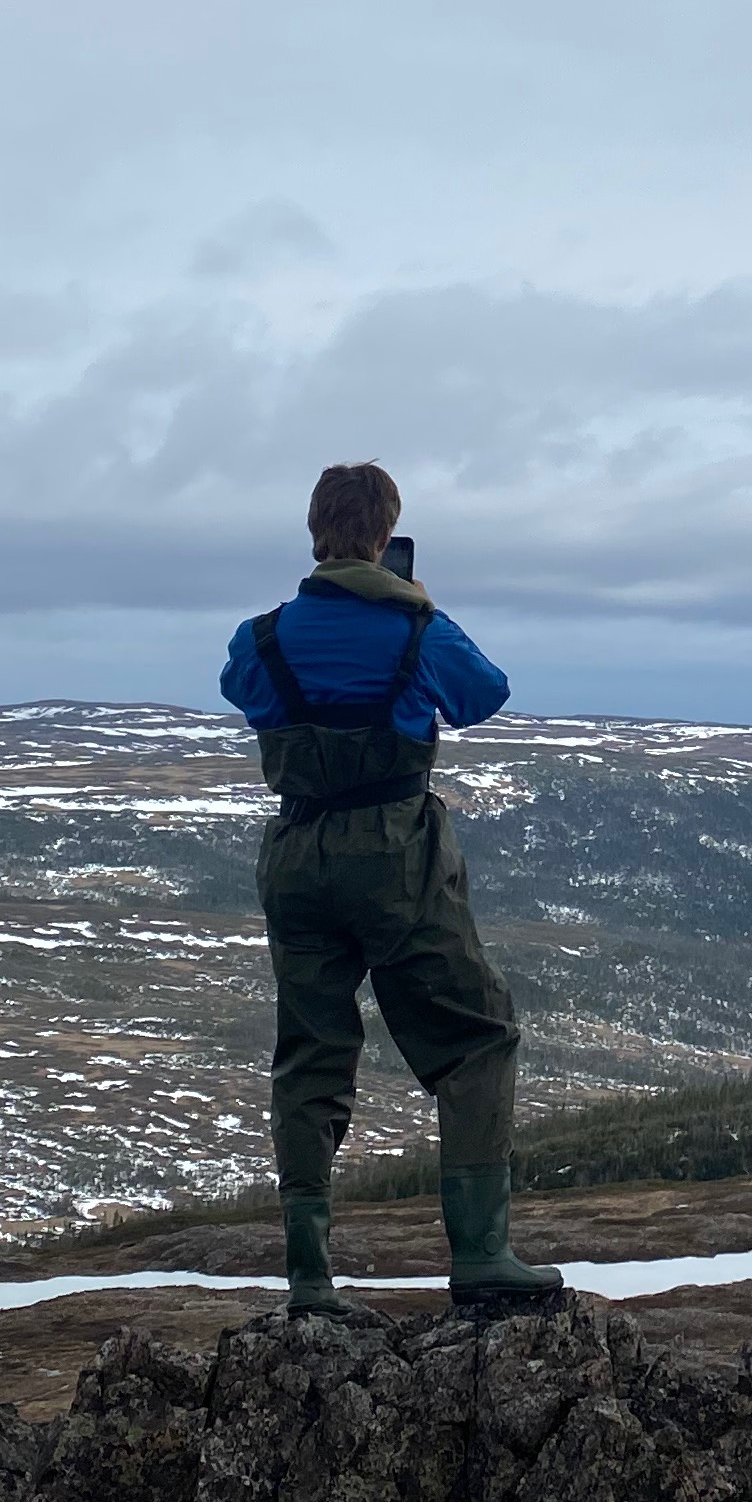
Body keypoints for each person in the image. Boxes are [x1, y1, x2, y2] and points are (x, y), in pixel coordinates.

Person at [218, 461, 561, 1313]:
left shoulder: (260, 637)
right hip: (394, 854)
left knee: (310, 1055)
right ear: (382, 534)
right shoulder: (416, 631)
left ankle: (309, 1276)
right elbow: (486, 694)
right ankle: (481, 1253)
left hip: (297, 853)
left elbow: (244, 693)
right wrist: (418, 607)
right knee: (476, 1039)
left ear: (314, 532)